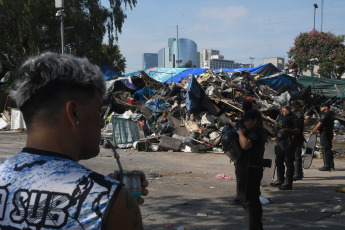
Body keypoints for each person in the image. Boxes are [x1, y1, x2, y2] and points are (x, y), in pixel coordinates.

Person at [0, 52, 147, 229]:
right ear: (74, 112)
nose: (101, 122)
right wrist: (115, 200)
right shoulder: (106, 202)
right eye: (97, 110)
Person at [236, 109, 266, 230]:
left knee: (249, 201)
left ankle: (253, 227)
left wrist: (240, 134)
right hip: (251, 168)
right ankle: (257, 226)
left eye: (248, 120)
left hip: (251, 170)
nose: (245, 123)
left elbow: (246, 145)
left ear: (255, 121)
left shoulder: (256, 132)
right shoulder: (254, 131)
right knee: (253, 200)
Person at [271, 102, 300, 190]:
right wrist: (275, 136)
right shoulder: (280, 116)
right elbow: (278, 128)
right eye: (286, 108)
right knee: (278, 161)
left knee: (289, 162)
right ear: (282, 108)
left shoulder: (294, 117)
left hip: (290, 142)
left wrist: (286, 129)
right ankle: (280, 179)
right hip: (280, 142)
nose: (289, 109)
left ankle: (288, 183)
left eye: (289, 108)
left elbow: (297, 130)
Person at [231, 99, 253, 205]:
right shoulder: (254, 120)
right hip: (252, 154)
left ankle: (241, 197)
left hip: (242, 152)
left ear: (243, 108)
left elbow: (236, 133)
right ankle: (248, 195)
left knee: (241, 175)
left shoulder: (243, 121)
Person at [310, 101, 335, 171]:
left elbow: (319, 124)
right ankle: (331, 164)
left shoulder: (325, 114)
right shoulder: (331, 114)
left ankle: (327, 165)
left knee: (325, 149)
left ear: (326, 107)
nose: (320, 107)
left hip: (325, 133)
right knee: (328, 148)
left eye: (322, 106)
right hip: (329, 133)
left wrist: (313, 131)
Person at [291, 100, 305, 180]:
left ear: (297, 106)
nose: (292, 108)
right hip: (296, 137)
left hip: (297, 137)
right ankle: (299, 172)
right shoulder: (296, 114)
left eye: (293, 106)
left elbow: (297, 128)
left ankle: (297, 173)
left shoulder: (298, 115)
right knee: (296, 156)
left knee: (297, 156)